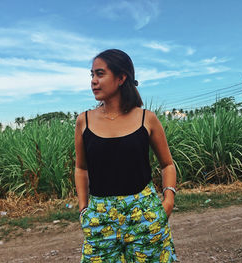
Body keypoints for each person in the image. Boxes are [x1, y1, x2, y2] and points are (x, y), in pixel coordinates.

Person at [74, 49, 177, 262]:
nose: (93, 81)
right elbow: (81, 168)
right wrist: (84, 209)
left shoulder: (146, 119)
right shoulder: (84, 121)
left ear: (121, 78)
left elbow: (167, 164)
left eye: (100, 74)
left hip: (145, 215)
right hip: (100, 218)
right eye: (92, 75)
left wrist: (167, 202)